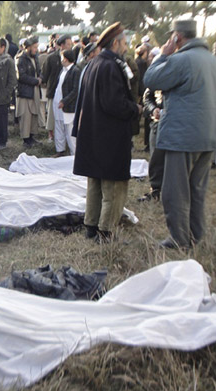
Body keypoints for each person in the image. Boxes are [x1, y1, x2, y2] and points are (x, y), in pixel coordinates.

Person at [144, 19, 216, 248]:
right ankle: (195, 235)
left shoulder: (181, 59)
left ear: (177, 36)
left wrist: (163, 55)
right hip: (208, 135)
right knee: (196, 190)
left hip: (183, 137)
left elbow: (151, 79)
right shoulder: (213, 60)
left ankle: (179, 239)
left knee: (176, 191)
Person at [72, 22, 141, 243]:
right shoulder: (110, 66)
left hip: (94, 134)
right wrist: (135, 109)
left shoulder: (94, 64)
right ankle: (105, 233)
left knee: (95, 184)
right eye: (124, 43)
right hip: (110, 136)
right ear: (116, 43)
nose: (126, 47)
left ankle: (91, 227)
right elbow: (115, 103)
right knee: (113, 188)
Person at [42, 34, 73, 145]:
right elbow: (45, 74)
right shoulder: (51, 57)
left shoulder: (72, 56)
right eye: (68, 44)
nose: (70, 46)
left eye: (71, 44)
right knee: (52, 116)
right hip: (53, 91)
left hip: (67, 93)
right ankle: (51, 136)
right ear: (62, 45)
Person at [52, 49, 80, 156]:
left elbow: (75, 90)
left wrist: (65, 101)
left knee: (70, 130)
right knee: (58, 126)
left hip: (68, 106)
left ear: (65, 59)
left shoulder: (75, 71)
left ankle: (74, 154)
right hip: (57, 102)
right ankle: (60, 150)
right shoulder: (62, 70)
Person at [16, 36, 43, 148]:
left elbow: (39, 71)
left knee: (33, 115)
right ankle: (26, 140)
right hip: (25, 92)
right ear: (28, 47)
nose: (36, 49)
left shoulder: (35, 57)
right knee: (26, 116)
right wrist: (36, 81)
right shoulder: (21, 59)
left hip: (34, 90)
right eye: (34, 47)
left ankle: (32, 137)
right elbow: (21, 76)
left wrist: (40, 78)